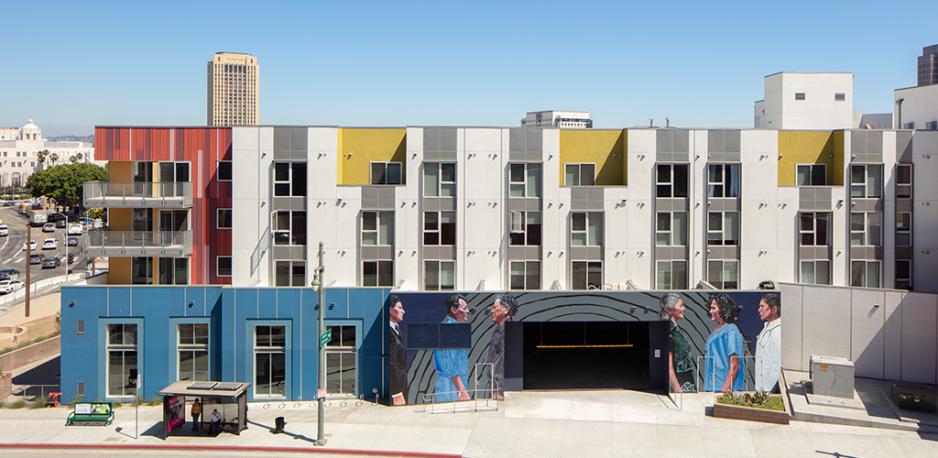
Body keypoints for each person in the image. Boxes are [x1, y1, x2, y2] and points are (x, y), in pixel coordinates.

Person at [702, 294, 746, 392]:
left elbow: (734, 364)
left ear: (723, 308)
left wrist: (725, 390)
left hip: (723, 387)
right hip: (713, 386)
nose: (710, 311)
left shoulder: (731, 330)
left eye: (713, 308)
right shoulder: (718, 330)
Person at [433, 294, 470, 402]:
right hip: (450, 387)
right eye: (464, 308)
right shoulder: (448, 329)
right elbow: (448, 364)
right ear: (453, 309)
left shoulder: (456, 328)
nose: (467, 311)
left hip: (456, 385)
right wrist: (461, 389)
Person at [659, 293, 695, 393]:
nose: (684, 309)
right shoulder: (670, 331)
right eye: (681, 305)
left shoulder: (675, 329)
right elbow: (668, 365)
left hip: (686, 383)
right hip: (681, 386)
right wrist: (677, 389)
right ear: (670, 309)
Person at [487, 294, 517, 400]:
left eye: (495, 308)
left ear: (506, 309)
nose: (492, 311)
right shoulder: (499, 329)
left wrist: (499, 390)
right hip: (495, 388)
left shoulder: (506, 331)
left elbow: (503, 362)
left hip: (499, 392)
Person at [754, 293, 782, 393]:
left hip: (768, 389)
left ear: (774, 310)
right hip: (761, 387)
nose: (759, 310)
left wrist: (768, 390)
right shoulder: (767, 327)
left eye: (762, 306)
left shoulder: (778, 331)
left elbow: (777, 364)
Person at [388, 295, 408, 405]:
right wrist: (396, 392)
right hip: (396, 389)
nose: (403, 311)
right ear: (391, 310)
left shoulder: (396, 329)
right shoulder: (388, 332)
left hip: (402, 384)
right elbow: (391, 363)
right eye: (400, 308)